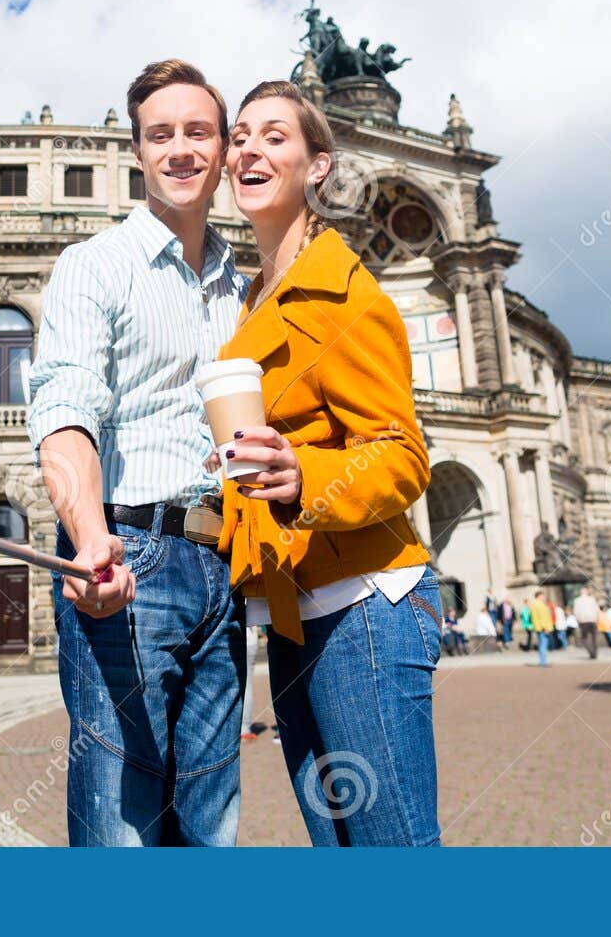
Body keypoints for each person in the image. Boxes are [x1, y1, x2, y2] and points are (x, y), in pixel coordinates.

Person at [27, 59, 248, 846]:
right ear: (137, 150)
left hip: (224, 563)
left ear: (223, 149)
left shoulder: (238, 287)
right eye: (162, 134)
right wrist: (90, 538)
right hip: (131, 555)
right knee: (122, 830)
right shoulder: (95, 264)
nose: (181, 149)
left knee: (211, 826)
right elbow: (65, 410)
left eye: (198, 132)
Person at [216, 79, 438, 847]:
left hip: (364, 606)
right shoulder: (251, 298)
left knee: (392, 851)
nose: (248, 147)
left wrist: (307, 475)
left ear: (318, 167)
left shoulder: (344, 291)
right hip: (293, 611)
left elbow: (403, 452)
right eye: (241, 135)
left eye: (275, 136)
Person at [572, 586, 602, 659]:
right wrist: (597, 619)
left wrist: (578, 620)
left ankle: (591, 652)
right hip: (592, 620)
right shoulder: (592, 599)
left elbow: (576, 612)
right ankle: (594, 653)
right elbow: (597, 610)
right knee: (594, 638)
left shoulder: (577, 600)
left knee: (584, 638)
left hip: (583, 621)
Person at [528, 590, 555, 667]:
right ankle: (543, 662)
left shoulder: (535, 604)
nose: (544, 597)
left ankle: (543, 661)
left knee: (542, 644)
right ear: (539, 596)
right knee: (543, 645)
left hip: (539, 627)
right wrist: (545, 627)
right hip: (543, 628)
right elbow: (542, 617)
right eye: (543, 596)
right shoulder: (540, 604)